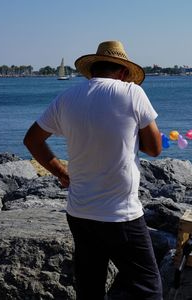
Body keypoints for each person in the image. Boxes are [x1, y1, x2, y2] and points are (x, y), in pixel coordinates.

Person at [24, 40, 163, 300]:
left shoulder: (67, 97)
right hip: (121, 215)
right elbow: (155, 149)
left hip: (80, 212)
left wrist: (60, 172)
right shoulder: (132, 92)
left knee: (90, 287)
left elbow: (32, 140)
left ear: (93, 70)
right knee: (147, 288)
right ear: (122, 72)